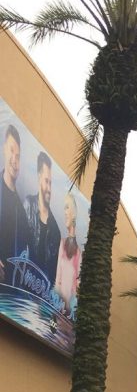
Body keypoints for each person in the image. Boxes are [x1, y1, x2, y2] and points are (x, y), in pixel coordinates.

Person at [25, 151, 60, 287]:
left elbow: (52, 277)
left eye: (51, 183)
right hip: (18, 291)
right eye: (46, 181)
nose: (49, 188)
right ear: (39, 177)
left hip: (40, 299)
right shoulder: (27, 205)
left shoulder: (55, 230)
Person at [0, 124, 30, 284]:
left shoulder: (21, 212)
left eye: (18, 156)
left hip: (6, 298)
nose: (14, 159)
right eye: (12, 150)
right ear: (4, 149)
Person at [54, 191, 81, 311]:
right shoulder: (62, 243)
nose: (64, 212)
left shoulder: (79, 254)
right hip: (58, 309)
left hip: (69, 316)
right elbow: (57, 280)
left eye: (67, 207)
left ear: (74, 213)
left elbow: (77, 287)